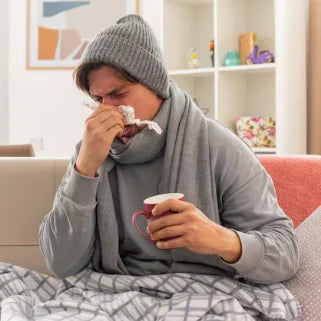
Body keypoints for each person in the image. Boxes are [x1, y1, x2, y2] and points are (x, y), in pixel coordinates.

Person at [39, 14, 299, 284]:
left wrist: (222, 240)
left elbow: (285, 254)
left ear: (155, 85)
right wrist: (84, 171)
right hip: (115, 294)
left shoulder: (219, 146)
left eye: (118, 94)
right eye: (98, 98)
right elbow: (61, 263)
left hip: (206, 295)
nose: (107, 109)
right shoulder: (90, 152)